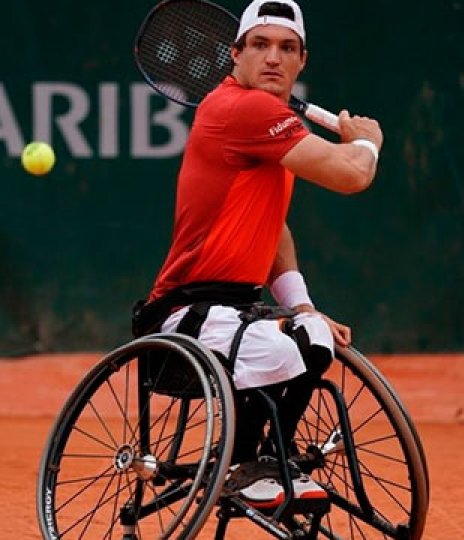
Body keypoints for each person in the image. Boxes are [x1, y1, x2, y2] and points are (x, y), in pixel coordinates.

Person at [133, 0, 383, 507]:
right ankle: (247, 464)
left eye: (286, 48)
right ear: (235, 55)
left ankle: (267, 460)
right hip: (183, 311)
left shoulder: (270, 123)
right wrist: (367, 144)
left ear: (301, 61)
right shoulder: (241, 109)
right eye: (260, 45)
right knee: (276, 349)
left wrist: (303, 306)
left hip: (241, 310)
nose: (273, 57)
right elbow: (352, 174)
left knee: (313, 335)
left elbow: (273, 229)